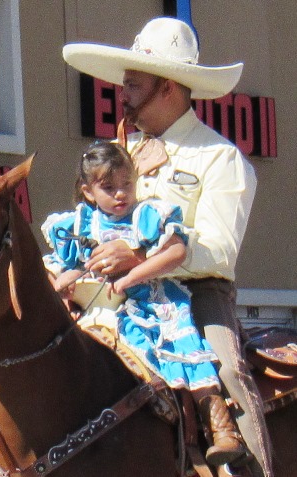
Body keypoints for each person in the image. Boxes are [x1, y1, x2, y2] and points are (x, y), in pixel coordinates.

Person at [62, 17, 272, 477]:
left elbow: (218, 249)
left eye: (134, 85)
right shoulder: (119, 153)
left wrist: (141, 259)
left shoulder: (221, 158)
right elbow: (89, 219)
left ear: (169, 89)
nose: (124, 95)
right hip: (113, 297)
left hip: (195, 299)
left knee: (231, 378)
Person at [42, 140, 249, 468]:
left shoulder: (147, 215)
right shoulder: (77, 225)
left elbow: (176, 252)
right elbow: (66, 264)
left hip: (150, 302)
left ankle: (219, 425)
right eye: (109, 187)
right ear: (87, 191)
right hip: (97, 308)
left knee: (184, 347)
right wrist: (63, 280)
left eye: (127, 184)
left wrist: (130, 276)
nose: (121, 194)